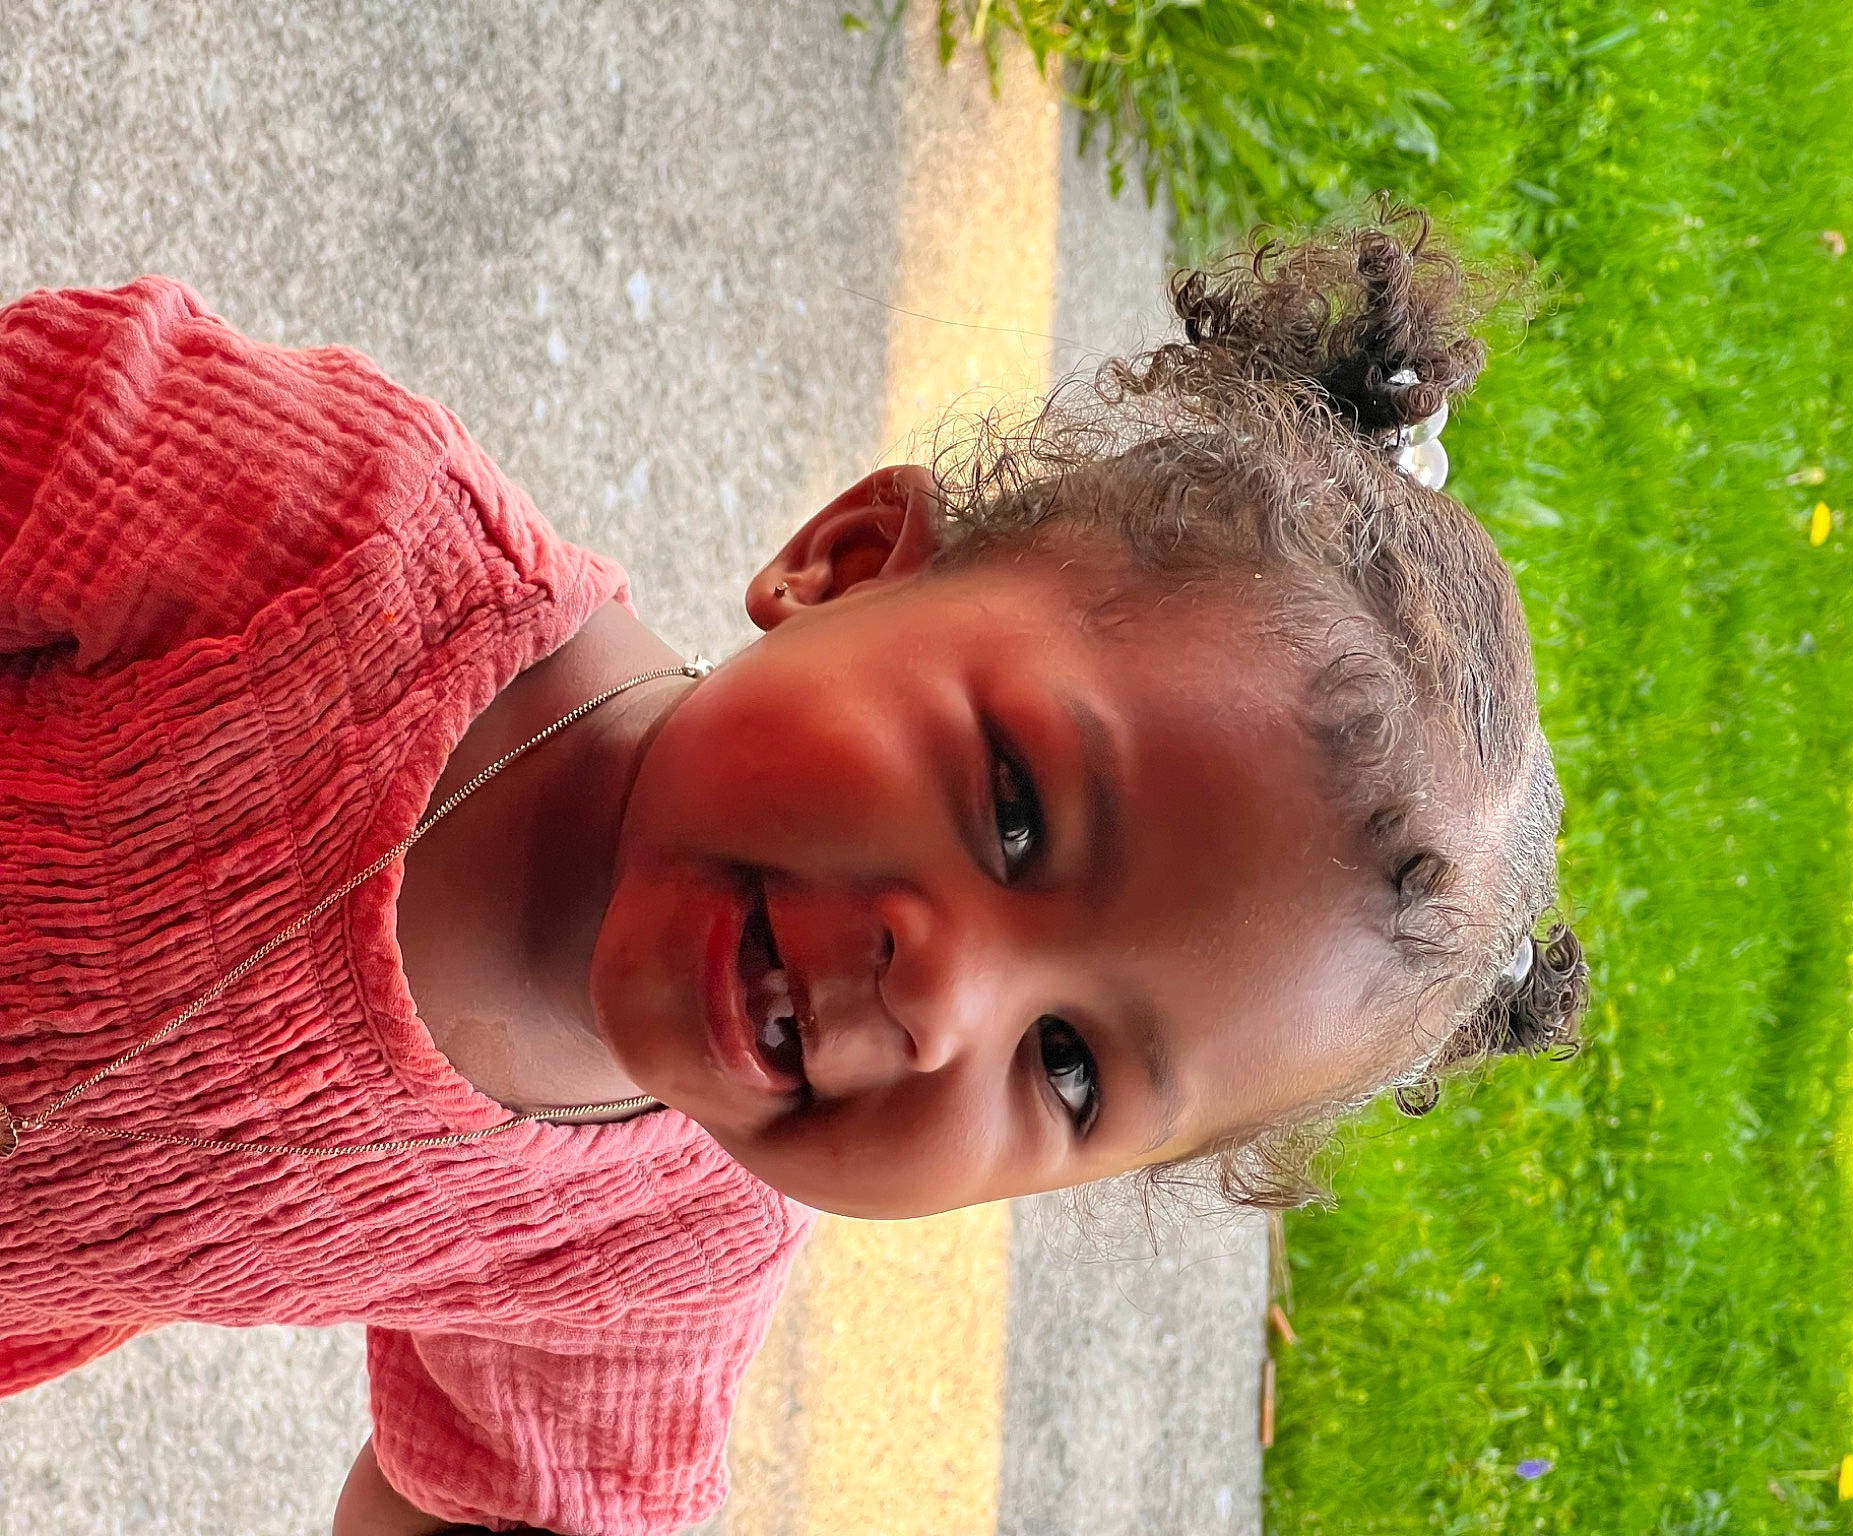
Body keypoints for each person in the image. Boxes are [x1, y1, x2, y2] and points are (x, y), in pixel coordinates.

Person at [0, 204, 1587, 1535]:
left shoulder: (662, 1245)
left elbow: (511, 1503)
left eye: (1069, 1066)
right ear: (847, 562)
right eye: (1018, 812)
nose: (940, 998)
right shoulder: (334, 533)